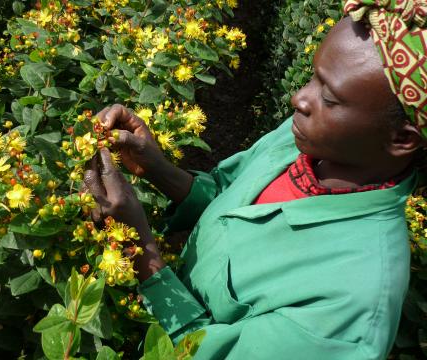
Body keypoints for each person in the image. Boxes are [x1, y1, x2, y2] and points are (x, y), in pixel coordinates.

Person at [84, 1, 427, 359]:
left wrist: (139, 249)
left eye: (328, 96)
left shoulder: (351, 306)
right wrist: (156, 168)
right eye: (313, 77)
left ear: (402, 140)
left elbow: (205, 352)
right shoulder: (310, 140)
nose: (300, 98)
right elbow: (225, 194)